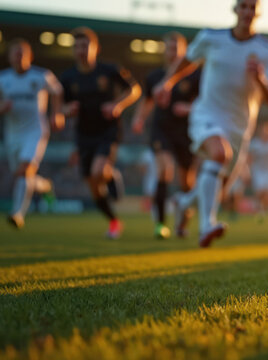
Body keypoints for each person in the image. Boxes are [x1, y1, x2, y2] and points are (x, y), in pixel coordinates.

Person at [154, 0, 268, 247]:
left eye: (252, 7)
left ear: (258, 12)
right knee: (218, 154)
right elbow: (187, 61)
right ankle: (207, 226)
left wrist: (261, 79)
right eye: (243, 6)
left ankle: (183, 204)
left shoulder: (267, 51)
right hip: (206, 115)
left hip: (240, 128)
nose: (247, 11)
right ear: (235, 9)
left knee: (218, 189)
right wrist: (166, 83)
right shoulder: (211, 38)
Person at [59, 27, 142, 239]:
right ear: (73, 50)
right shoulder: (68, 78)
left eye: (86, 45)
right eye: (77, 46)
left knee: (98, 172)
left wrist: (118, 105)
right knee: (94, 186)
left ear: (96, 48)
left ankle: (110, 174)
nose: (81, 50)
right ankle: (114, 222)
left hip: (108, 130)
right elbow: (60, 108)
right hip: (84, 134)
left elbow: (134, 90)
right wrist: (67, 111)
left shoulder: (109, 70)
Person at [131, 32, 200, 239]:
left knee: (187, 182)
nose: (173, 52)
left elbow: (204, 103)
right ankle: (160, 224)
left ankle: (182, 224)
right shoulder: (155, 77)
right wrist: (138, 119)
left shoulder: (194, 75)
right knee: (164, 171)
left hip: (187, 133)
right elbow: (148, 101)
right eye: (169, 48)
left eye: (177, 48)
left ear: (184, 51)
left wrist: (188, 108)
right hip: (161, 131)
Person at [0, 39, 64, 229]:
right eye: (15, 53)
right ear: (9, 57)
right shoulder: (3, 79)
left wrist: (56, 113)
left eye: (22, 53)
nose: (19, 57)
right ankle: (45, 185)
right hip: (12, 134)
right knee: (21, 175)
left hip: (35, 132)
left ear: (30, 57)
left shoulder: (41, 76)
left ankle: (18, 214)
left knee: (24, 170)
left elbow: (58, 91)